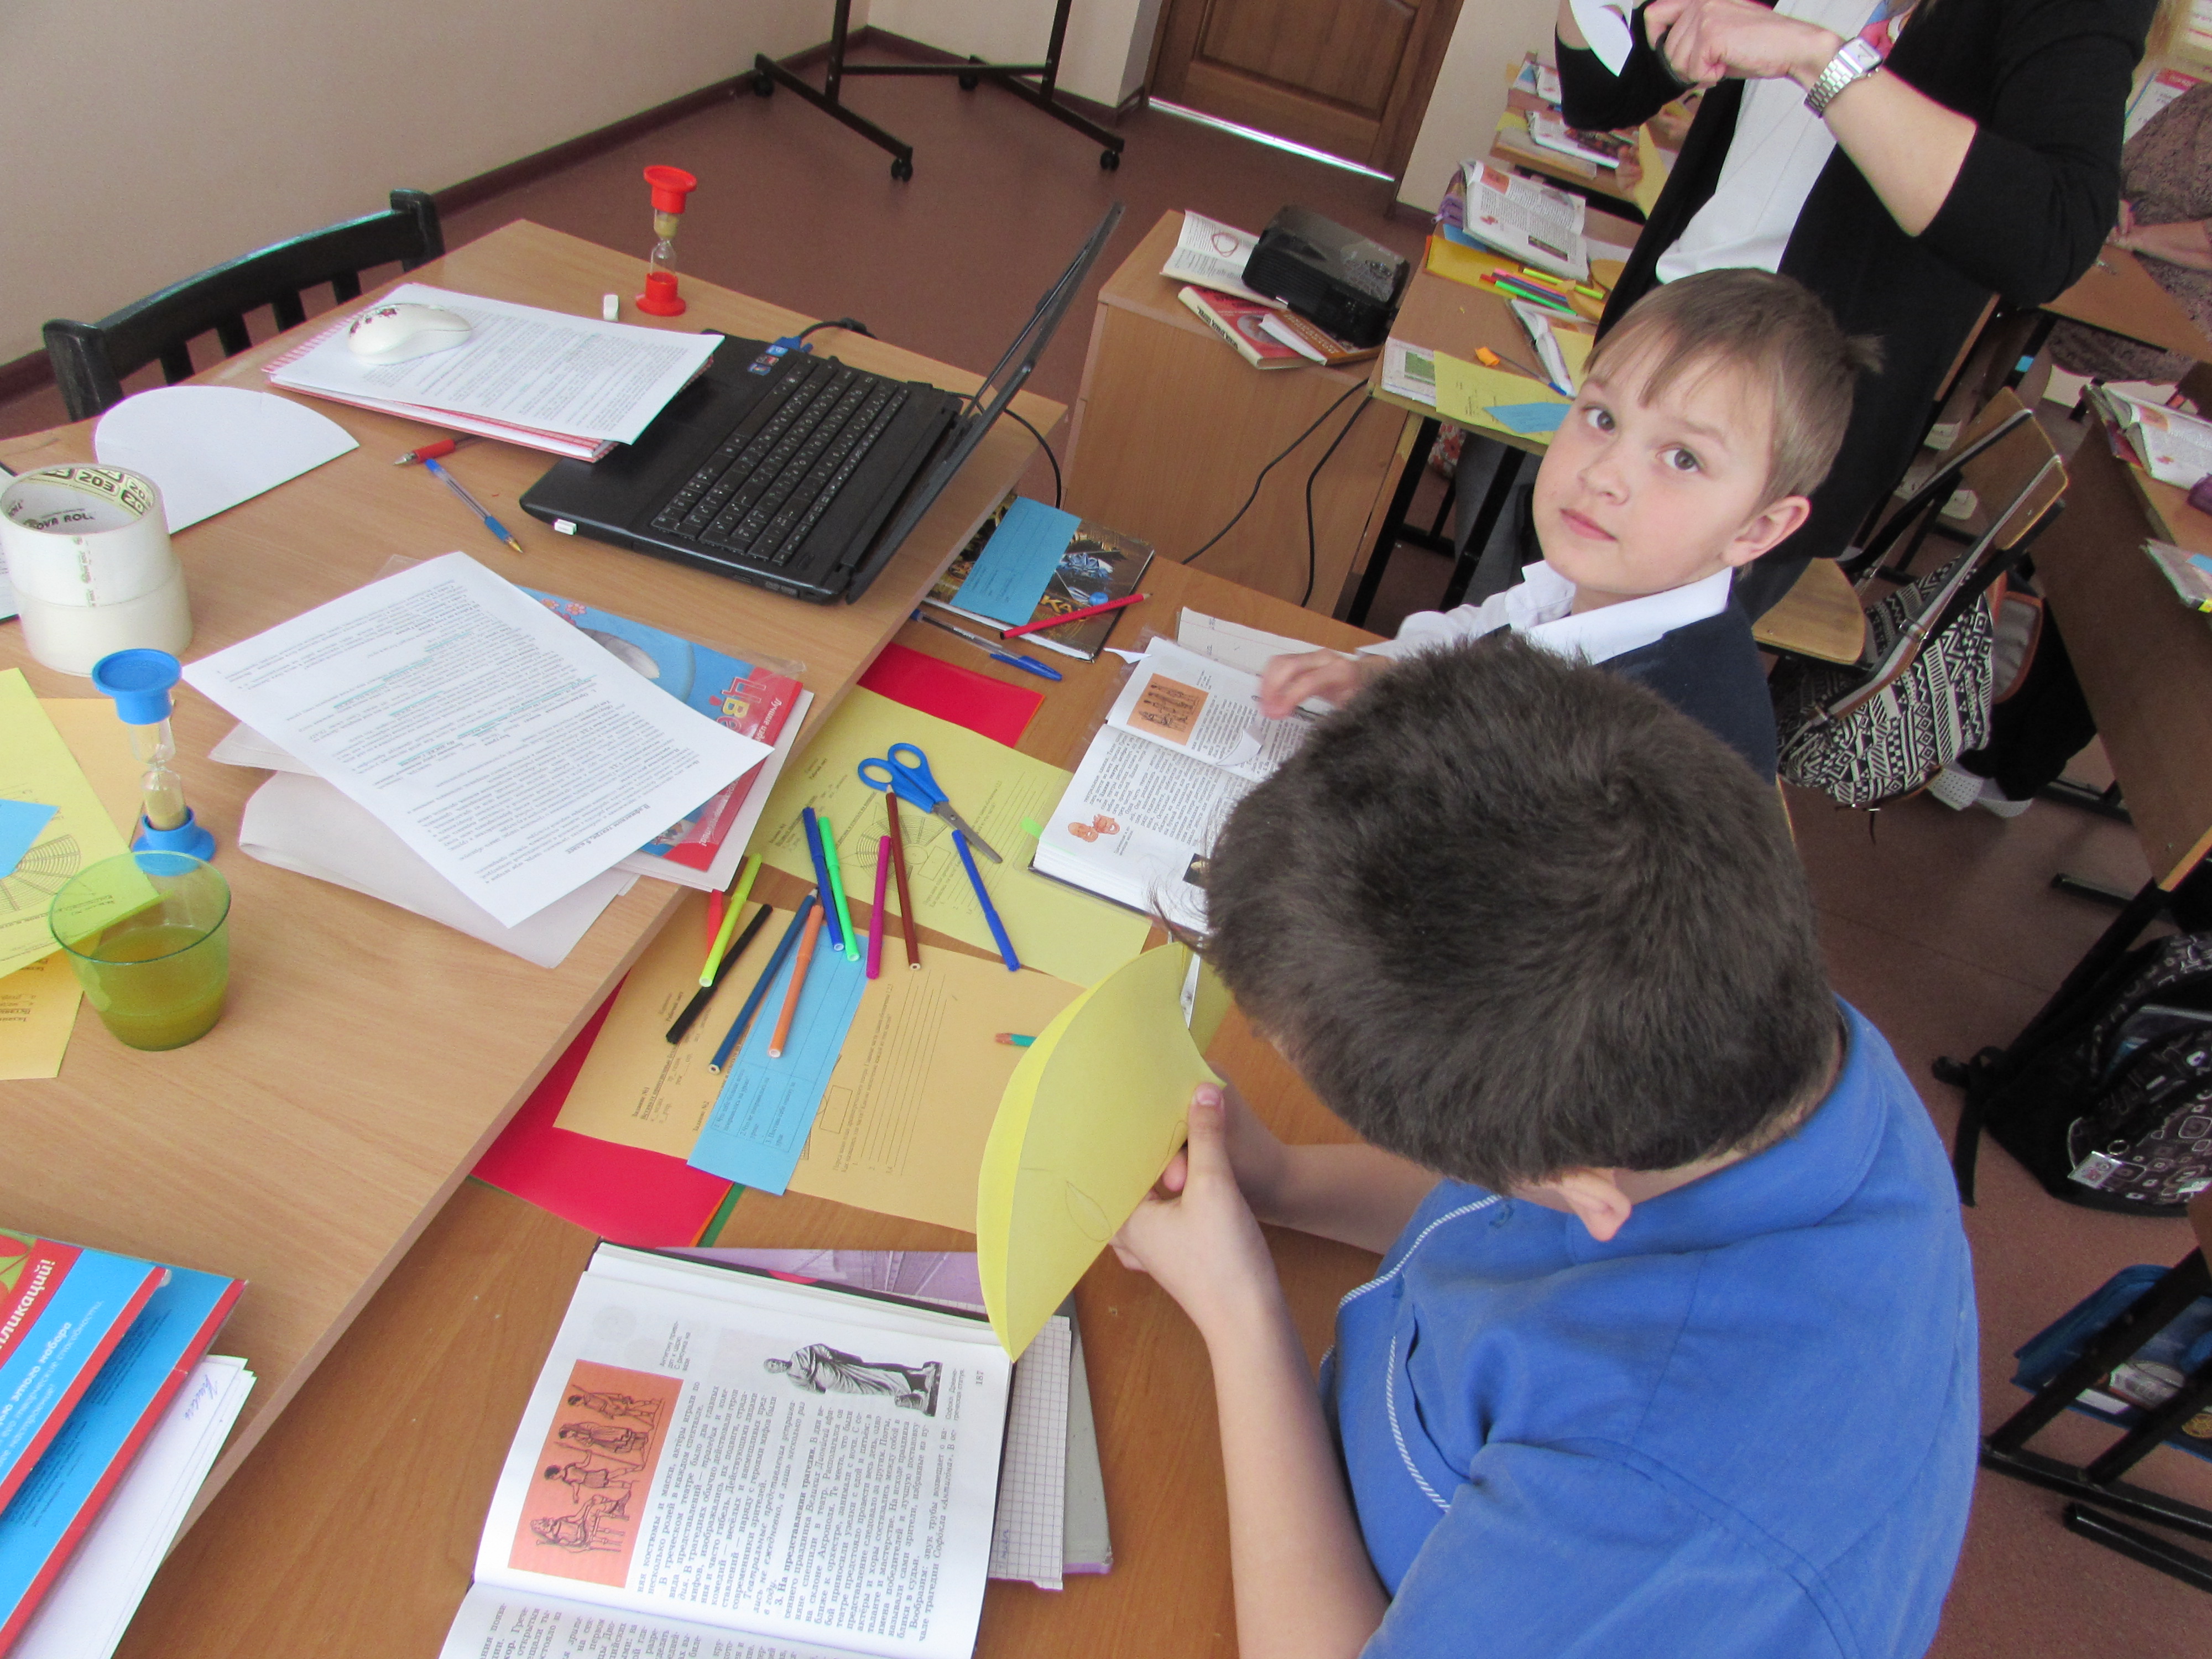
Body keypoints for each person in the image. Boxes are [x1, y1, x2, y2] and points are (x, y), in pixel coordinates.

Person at [1114, 638, 1977, 1659]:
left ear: (1580, 1185)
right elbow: (1502, 1210)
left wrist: (1239, 1312)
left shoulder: (1656, 1490)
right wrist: (1290, 1182)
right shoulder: (1763, 1037)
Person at [1556, 0, 2170, 618]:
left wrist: (1816, 59)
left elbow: (2050, 237)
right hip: (1654, 343)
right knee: (1535, 618)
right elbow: (1603, 95)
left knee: (1593, 665)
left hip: (1767, 424)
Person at [1261, 267, 1872, 778]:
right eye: (1603, 419)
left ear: (1757, 531)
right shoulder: (1598, 586)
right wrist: (1380, 676)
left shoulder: (1652, 749)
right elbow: (1485, 633)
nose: (1603, 474)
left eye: (1683, 459)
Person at [2049, 79, 2212, 390]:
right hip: (2107, 255)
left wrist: (2137, 238)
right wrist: (2113, 201)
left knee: (2032, 317)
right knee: (2012, 293)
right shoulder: (2199, 98)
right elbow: (2116, 169)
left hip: (2179, 306)